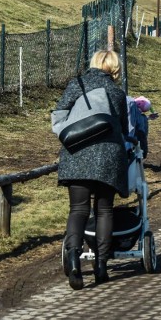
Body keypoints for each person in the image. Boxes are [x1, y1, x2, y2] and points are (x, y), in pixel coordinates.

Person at [55, 50, 129, 290]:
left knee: (78, 210)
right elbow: (123, 129)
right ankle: (101, 266)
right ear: (115, 68)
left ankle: (75, 261)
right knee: (104, 210)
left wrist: (70, 133)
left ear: (94, 63)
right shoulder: (117, 93)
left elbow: (58, 114)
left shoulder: (76, 84)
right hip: (108, 156)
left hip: (77, 153)